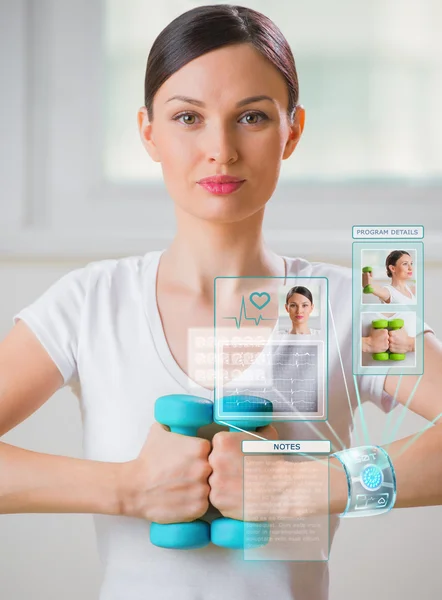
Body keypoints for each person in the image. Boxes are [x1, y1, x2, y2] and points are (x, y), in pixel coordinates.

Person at [0, 5, 441, 600]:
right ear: (148, 132)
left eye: (252, 116)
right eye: (187, 117)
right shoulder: (89, 302)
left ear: (293, 130)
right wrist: (128, 488)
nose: (221, 149)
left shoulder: (359, 305)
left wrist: (318, 486)